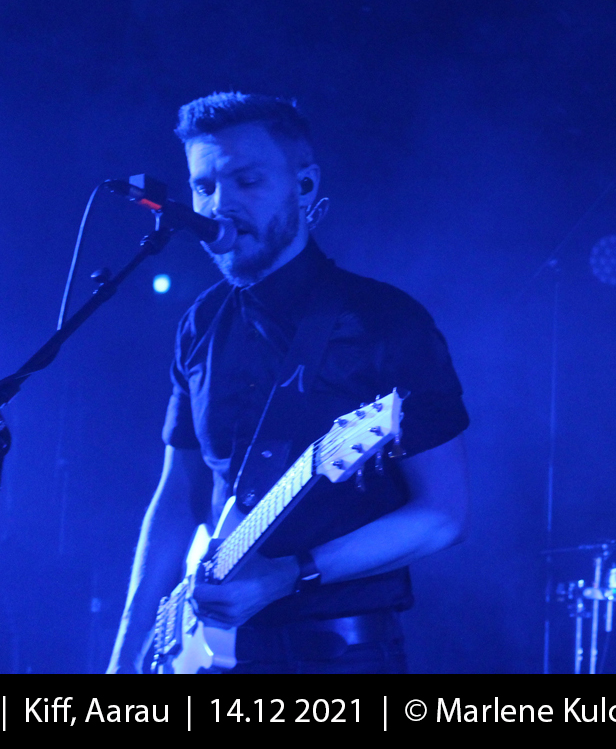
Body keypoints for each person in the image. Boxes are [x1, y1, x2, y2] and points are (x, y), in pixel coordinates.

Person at [108, 92, 470, 674]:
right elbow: (179, 496)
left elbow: (444, 514)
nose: (220, 205)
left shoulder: (387, 322)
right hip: (209, 656)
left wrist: (290, 574)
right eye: (204, 187)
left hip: (342, 657)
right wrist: (125, 652)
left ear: (304, 185)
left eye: (246, 181)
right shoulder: (201, 323)